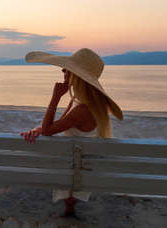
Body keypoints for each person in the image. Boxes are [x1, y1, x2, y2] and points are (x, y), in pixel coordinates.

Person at [20, 48, 123, 216]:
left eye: (68, 68)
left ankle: (69, 204)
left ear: (78, 76)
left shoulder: (82, 110)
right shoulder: (85, 103)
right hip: (83, 164)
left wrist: (55, 97)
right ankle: (70, 204)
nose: (63, 70)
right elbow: (53, 127)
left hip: (74, 169)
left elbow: (48, 130)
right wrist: (37, 129)